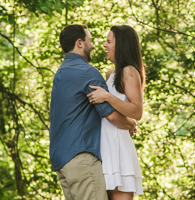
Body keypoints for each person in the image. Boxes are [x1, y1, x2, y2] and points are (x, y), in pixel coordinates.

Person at [50, 24, 137, 200]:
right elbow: (111, 115)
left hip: (61, 160)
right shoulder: (87, 72)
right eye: (90, 41)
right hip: (81, 158)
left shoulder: (61, 72)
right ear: (80, 43)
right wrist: (131, 123)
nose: (94, 46)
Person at [87, 25, 145, 199]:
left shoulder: (129, 71)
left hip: (118, 147)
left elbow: (137, 111)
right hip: (104, 147)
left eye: (109, 41)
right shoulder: (111, 73)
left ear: (121, 45)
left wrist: (107, 97)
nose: (104, 45)